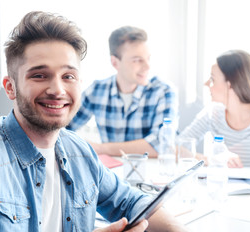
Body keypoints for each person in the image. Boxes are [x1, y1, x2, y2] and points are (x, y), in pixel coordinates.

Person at [0, 11, 195, 232]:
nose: (57, 90)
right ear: (10, 87)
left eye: (68, 76)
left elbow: (133, 202)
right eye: (40, 75)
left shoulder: (79, 151)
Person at [178, 50, 250, 188]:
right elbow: (179, 146)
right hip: (223, 191)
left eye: (212, 79)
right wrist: (212, 160)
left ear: (230, 85)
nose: (206, 84)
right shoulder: (212, 113)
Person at [66, 26, 178, 158]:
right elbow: (62, 125)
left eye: (148, 58)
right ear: (115, 62)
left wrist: (100, 149)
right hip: (110, 173)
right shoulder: (97, 90)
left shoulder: (164, 91)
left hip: (149, 174)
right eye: (137, 60)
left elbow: (161, 145)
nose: (147, 66)